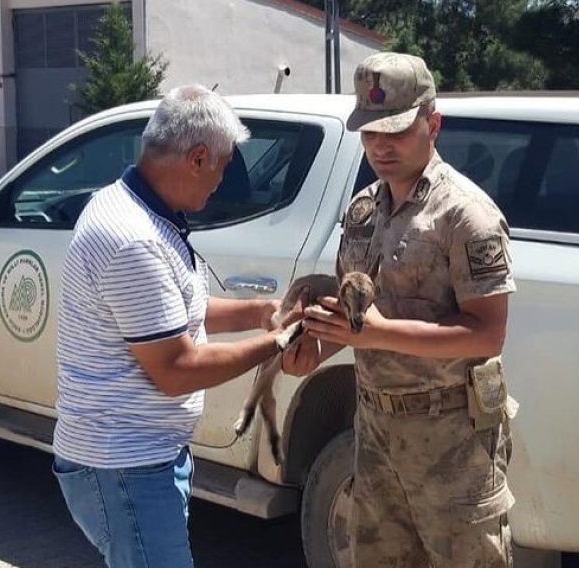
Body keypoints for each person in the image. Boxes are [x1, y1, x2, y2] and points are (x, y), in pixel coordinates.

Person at [284, 52, 518, 566]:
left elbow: (486, 334)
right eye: (369, 133)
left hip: (452, 439)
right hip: (375, 434)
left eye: (396, 131)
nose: (380, 146)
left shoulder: (465, 216)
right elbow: (357, 318)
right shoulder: (365, 210)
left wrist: (377, 335)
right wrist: (317, 346)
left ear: (432, 124)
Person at [52, 84, 292, 568]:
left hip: (139, 459)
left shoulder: (141, 209)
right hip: (124, 465)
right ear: (198, 158)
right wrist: (278, 342)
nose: (223, 180)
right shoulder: (133, 238)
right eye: (224, 165)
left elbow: (176, 314)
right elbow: (176, 367)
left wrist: (259, 312)